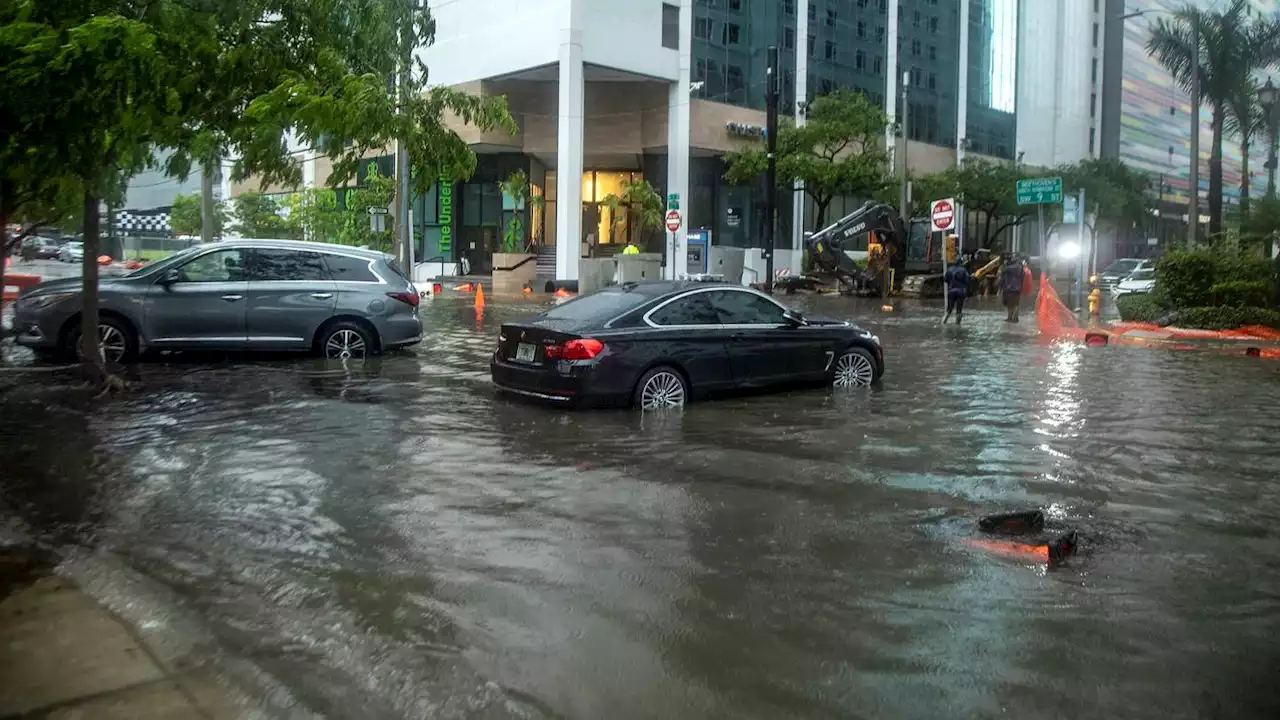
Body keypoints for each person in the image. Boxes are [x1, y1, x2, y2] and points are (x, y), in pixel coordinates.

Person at [943, 256, 970, 324]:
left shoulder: (949, 269)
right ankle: (957, 324)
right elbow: (967, 281)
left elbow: (945, 280)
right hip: (960, 292)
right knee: (959, 309)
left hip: (951, 291)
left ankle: (944, 321)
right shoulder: (964, 270)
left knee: (949, 309)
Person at [1001, 252, 1026, 322]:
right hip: (1012, 288)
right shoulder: (1018, 265)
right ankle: (1010, 317)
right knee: (1010, 304)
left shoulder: (1015, 266)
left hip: (1013, 288)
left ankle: (1014, 318)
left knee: (1014, 304)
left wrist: (1005, 265)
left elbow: (1006, 270)